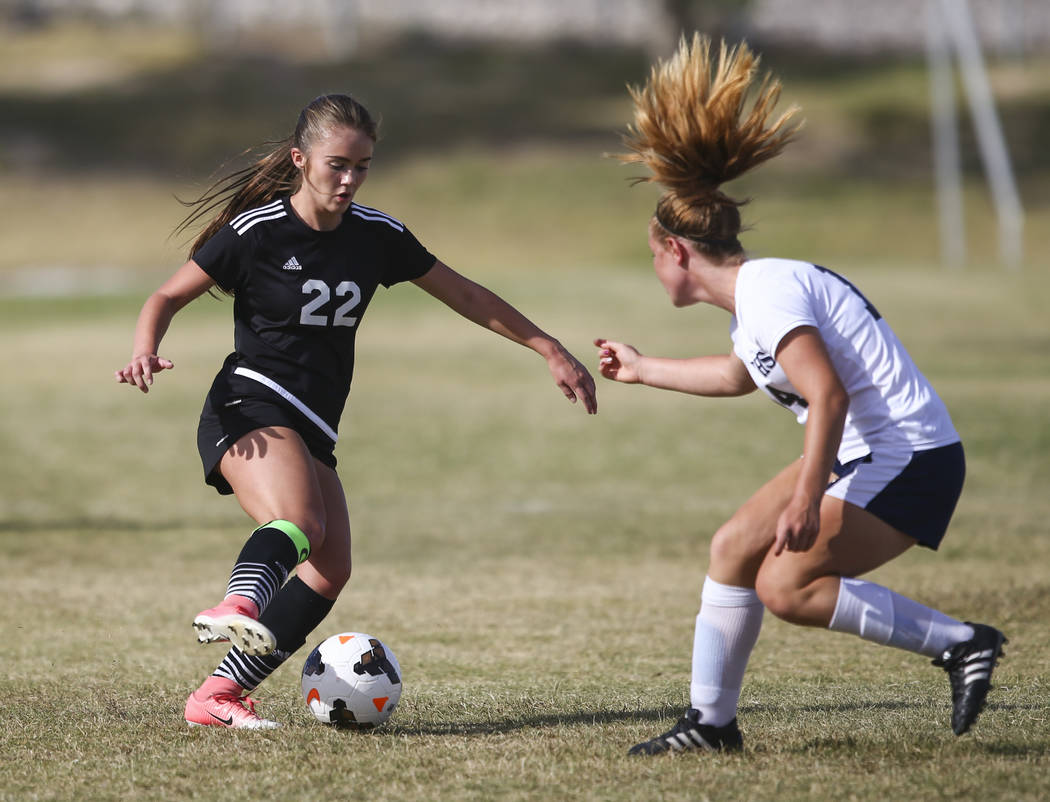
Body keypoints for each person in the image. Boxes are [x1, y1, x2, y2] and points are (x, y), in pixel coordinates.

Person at [116, 93, 597, 729]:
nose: (349, 179)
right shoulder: (255, 232)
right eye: (337, 164)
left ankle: (218, 697)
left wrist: (548, 347)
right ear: (300, 159)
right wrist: (146, 348)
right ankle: (239, 602)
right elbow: (165, 296)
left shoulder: (377, 235)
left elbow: (464, 293)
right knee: (300, 521)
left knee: (329, 568)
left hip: (313, 421)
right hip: (249, 402)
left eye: (362, 166)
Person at [594, 34, 1005, 756]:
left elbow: (829, 395)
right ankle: (711, 725)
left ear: (677, 252)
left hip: (908, 457)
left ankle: (963, 642)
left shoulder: (771, 291)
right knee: (731, 549)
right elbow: (733, 377)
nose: (655, 272)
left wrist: (806, 494)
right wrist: (640, 367)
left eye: (652, 257)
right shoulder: (755, 300)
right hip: (864, 452)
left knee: (787, 588)